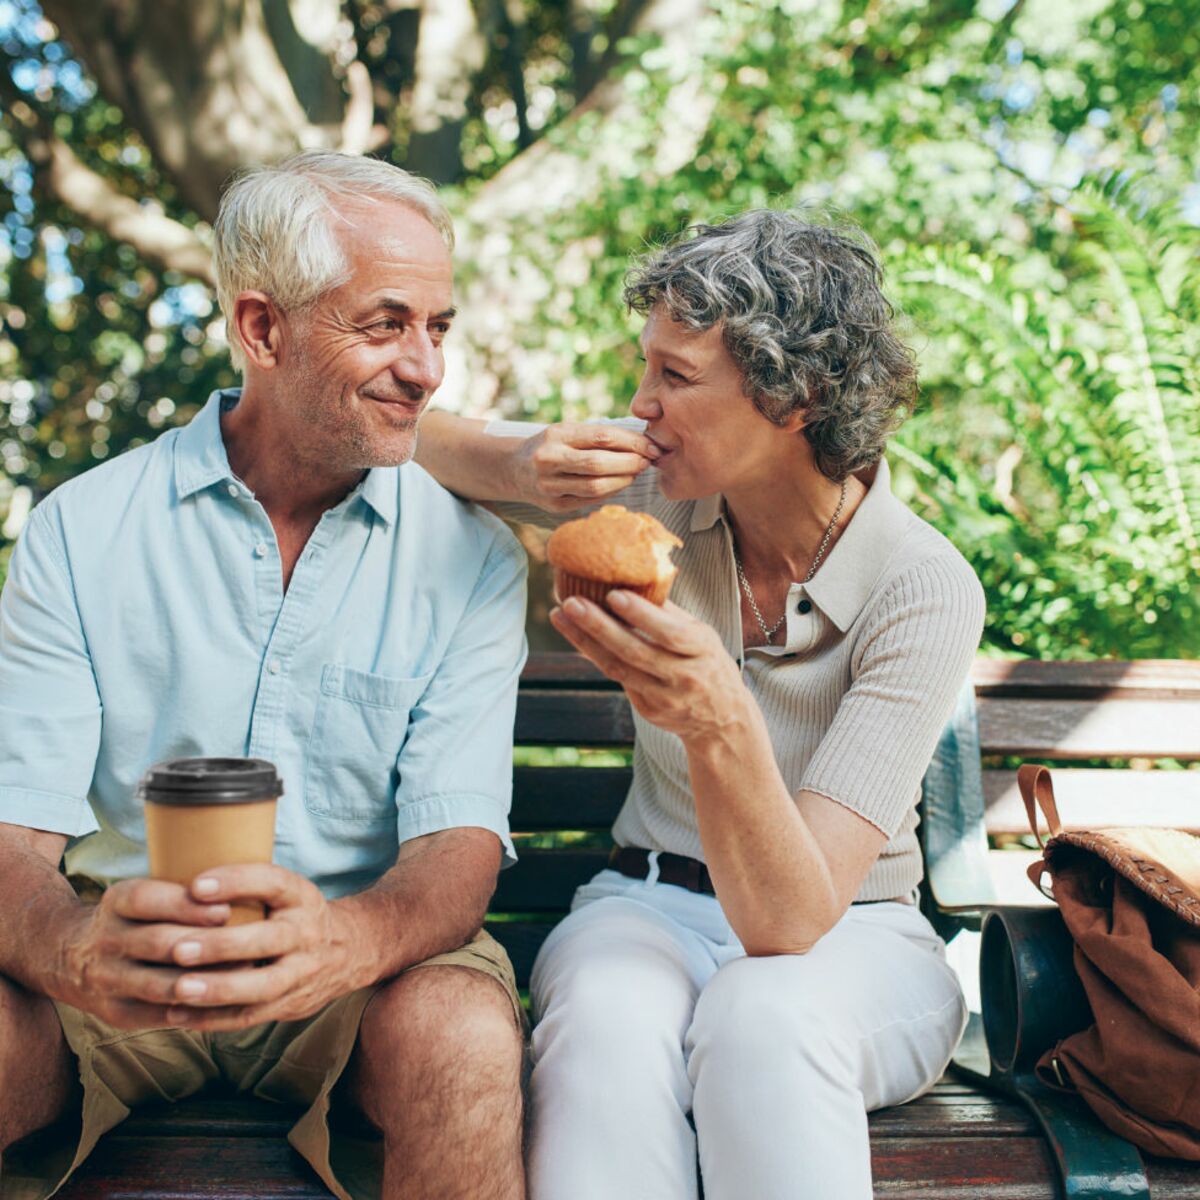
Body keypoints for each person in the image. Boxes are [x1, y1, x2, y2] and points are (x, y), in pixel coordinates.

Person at [414, 209, 986, 1199]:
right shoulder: (651, 505)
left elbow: (791, 922)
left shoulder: (922, 586)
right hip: (645, 904)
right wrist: (522, 463)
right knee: (605, 1024)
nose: (641, 407)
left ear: (793, 395)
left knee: (764, 1012)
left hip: (854, 935)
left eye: (674, 378)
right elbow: (409, 437)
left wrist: (719, 719)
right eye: (647, 368)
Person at [0, 152, 528, 1200]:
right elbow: (12, 832)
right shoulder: (83, 529)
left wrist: (344, 940)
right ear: (262, 329)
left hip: (362, 965)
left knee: (461, 1033)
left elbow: (456, 849)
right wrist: (74, 948)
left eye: (438, 328)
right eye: (385, 324)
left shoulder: (474, 557)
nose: (426, 368)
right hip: (119, 955)